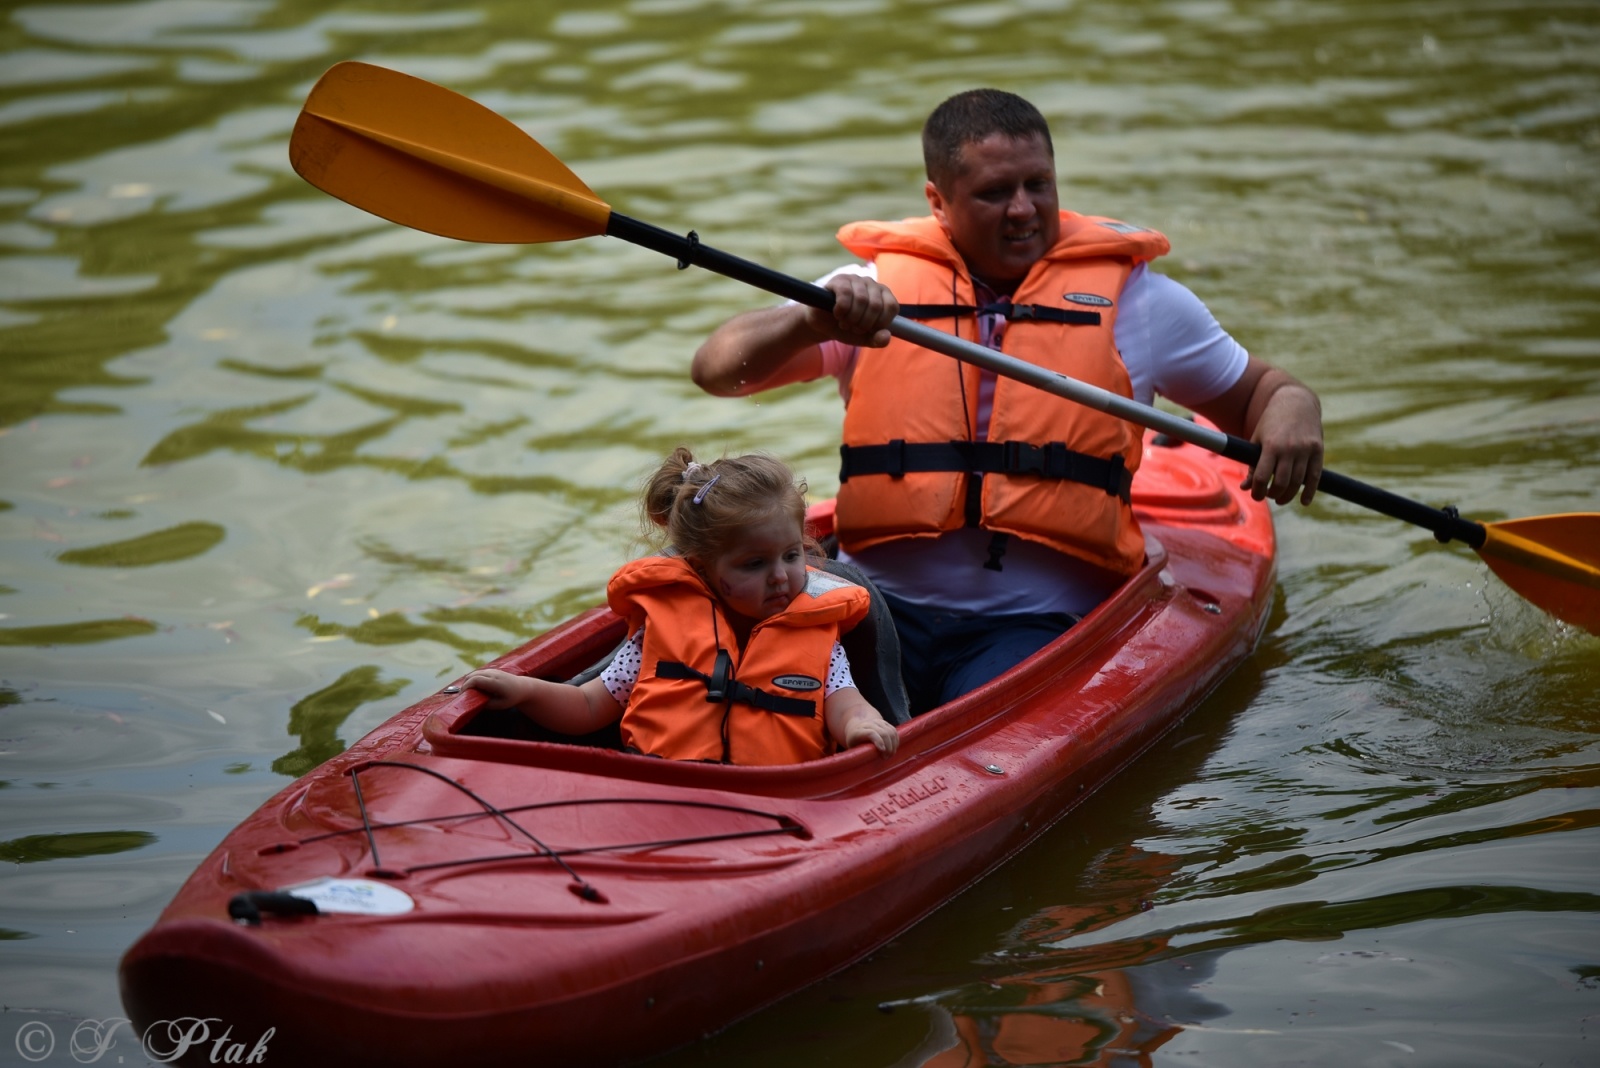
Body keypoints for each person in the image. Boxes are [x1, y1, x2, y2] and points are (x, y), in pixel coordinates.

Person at [691, 88, 1324, 714]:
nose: (1023, 208)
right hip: (874, 609)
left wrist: (1293, 412)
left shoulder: (1142, 305)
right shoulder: (872, 293)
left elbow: (1265, 394)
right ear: (938, 202)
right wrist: (810, 322)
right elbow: (719, 371)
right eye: (995, 192)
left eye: (1038, 185)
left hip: (1036, 628)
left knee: (963, 718)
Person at [456, 448, 899, 765]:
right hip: (665, 799)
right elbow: (589, 707)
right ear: (702, 568)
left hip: (775, 803)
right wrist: (527, 690)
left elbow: (847, 704)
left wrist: (861, 726)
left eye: (791, 555)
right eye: (754, 564)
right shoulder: (659, 634)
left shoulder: (821, 642)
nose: (780, 575)